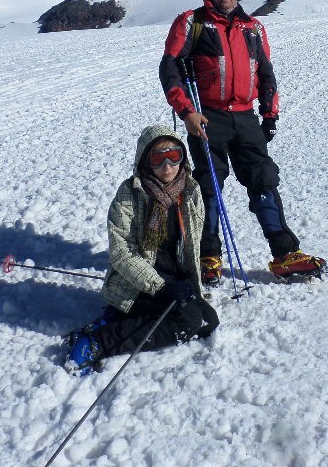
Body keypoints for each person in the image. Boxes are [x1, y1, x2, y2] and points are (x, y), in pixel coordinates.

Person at [159, 0, 327, 285]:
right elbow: (169, 68)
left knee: (263, 180)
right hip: (207, 117)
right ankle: (207, 256)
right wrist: (187, 112)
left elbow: (265, 73)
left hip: (246, 117)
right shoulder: (191, 22)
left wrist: (269, 114)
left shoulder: (253, 28)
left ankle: (284, 254)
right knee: (209, 185)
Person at [63, 125, 219, 376]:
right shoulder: (130, 195)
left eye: (174, 155)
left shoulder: (190, 190)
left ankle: (114, 320)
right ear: (144, 161)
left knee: (208, 321)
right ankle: (98, 342)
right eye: (158, 158)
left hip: (174, 279)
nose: (167, 165)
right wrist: (162, 287)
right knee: (187, 321)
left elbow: (193, 242)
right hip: (138, 283)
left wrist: (190, 282)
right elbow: (122, 254)